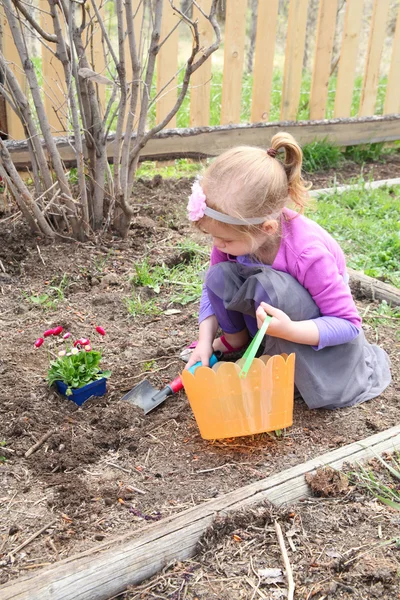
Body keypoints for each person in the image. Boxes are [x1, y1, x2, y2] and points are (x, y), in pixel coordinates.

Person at [183, 133, 391, 410]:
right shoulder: (231, 237)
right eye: (213, 238)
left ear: (267, 228)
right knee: (219, 274)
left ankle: (277, 355)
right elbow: (214, 288)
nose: (218, 245)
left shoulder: (308, 254)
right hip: (271, 312)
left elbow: (348, 324)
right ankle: (238, 341)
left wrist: (290, 331)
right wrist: (205, 341)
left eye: (226, 240)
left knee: (270, 285)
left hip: (310, 318)